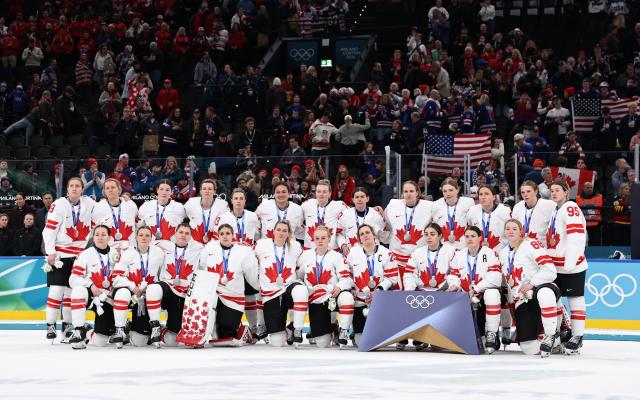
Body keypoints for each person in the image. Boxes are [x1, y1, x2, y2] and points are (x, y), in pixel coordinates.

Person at [42, 177, 96, 342]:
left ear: (82, 189)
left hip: (80, 256)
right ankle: (50, 324)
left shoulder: (90, 204)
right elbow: (49, 230)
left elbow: (107, 208)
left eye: (77, 186)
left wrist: (124, 199)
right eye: (71, 186)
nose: (74, 188)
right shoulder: (58, 204)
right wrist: (50, 251)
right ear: (67, 189)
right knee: (56, 291)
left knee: (72, 293)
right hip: (60, 255)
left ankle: (67, 326)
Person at [500, 219, 561, 357]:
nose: (510, 231)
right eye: (507, 228)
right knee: (529, 349)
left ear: (521, 231)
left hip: (541, 287)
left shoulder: (531, 244)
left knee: (545, 293)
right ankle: (550, 339)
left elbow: (550, 270)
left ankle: (552, 335)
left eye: (514, 228)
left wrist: (532, 283)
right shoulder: (503, 253)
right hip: (522, 298)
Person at [546, 180, 588, 355]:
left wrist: (571, 261)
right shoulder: (556, 209)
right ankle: (556, 334)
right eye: (551, 190)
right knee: (553, 300)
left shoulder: (570, 207)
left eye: (557, 190)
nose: (554, 193)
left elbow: (576, 235)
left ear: (566, 192)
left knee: (575, 299)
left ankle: (577, 336)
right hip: (555, 266)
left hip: (571, 266)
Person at [199, 224, 259, 345]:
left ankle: (245, 330)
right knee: (211, 329)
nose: (225, 236)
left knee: (225, 336)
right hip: (214, 294)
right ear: (217, 236)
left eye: (228, 233)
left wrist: (253, 288)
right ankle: (215, 326)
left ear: (233, 235)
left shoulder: (243, 251)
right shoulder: (210, 248)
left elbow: (251, 275)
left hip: (233, 296)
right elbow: (202, 266)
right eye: (222, 234)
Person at [146, 223, 204, 347]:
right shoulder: (163, 245)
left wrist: (238, 244)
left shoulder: (198, 248)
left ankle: (164, 332)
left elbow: (217, 247)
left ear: (191, 236)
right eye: (181, 232)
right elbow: (144, 242)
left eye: (187, 233)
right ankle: (155, 326)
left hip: (184, 294)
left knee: (172, 341)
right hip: (168, 288)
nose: (183, 235)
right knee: (153, 288)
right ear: (175, 233)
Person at [447, 226, 503, 353]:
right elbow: (453, 274)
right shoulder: (459, 255)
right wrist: (454, 284)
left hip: (483, 295)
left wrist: (477, 288)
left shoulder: (489, 253)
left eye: (473, 236)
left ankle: (491, 334)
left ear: (480, 238)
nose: (470, 239)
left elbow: (495, 277)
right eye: (467, 236)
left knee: (492, 293)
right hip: (465, 296)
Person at [298, 226, 355, 348]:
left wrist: (339, 287)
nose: (320, 241)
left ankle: (344, 330)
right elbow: (298, 276)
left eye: (323, 238)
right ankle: (332, 328)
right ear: (313, 240)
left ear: (329, 239)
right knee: (322, 343)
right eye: (317, 238)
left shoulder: (337, 256)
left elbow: (347, 278)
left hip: (332, 296)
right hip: (316, 300)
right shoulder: (305, 256)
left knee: (346, 297)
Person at [402, 223, 456, 350]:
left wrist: (452, 285)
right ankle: (420, 337)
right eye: (426, 235)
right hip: (423, 291)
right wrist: (409, 289)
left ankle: (440, 337)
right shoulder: (417, 252)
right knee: (416, 300)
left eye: (432, 234)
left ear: (440, 236)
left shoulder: (450, 251)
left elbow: (455, 271)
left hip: (443, 292)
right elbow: (409, 273)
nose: (429, 237)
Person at [67, 225, 121, 349]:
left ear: (109, 237)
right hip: (91, 294)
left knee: (100, 342)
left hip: (107, 298)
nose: (100, 237)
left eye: (103, 234)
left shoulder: (116, 254)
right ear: (93, 236)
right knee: (78, 290)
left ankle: (88, 331)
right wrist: (90, 285)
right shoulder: (85, 254)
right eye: (97, 234)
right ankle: (79, 329)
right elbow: (73, 279)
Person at [254, 220, 306, 347]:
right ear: (273, 231)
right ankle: (286, 330)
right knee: (277, 342)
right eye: (279, 230)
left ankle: (297, 329)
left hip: (289, 287)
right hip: (270, 294)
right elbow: (250, 262)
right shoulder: (261, 245)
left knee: (301, 291)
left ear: (288, 233)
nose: (281, 233)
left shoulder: (296, 247)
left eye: (284, 230)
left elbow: (302, 267)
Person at [110, 226, 165, 347]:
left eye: (147, 235)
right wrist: (132, 287)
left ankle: (154, 328)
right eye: (141, 235)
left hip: (150, 297)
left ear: (151, 238)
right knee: (121, 293)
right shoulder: (127, 253)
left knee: (139, 342)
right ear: (136, 237)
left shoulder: (159, 253)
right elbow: (116, 278)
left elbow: (163, 276)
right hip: (134, 297)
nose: (144, 238)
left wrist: (151, 289)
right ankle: (120, 330)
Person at [347, 224, 398, 346]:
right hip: (360, 300)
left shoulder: (387, 253)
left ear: (374, 235)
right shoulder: (353, 253)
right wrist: (351, 288)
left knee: (378, 340)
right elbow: (346, 273)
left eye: (367, 232)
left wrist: (379, 290)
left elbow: (392, 277)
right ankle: (356, 331)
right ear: (359, 239)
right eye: (362, 234)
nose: (365, 236)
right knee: (361, 342)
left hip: (379, 299)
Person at [384, 181, 433, 288]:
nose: (408, 194)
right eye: (405, 191)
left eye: (411, 191)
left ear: (417, 193)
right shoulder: (393, 205)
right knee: (399, 291)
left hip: (419, 258)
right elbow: (385, 222)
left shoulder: (429, 207)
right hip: (397, 258)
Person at [336, 187, 386, 256]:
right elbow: (339, 234)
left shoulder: (376, 215)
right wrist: (343, 245)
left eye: (362, 197)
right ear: (353, 199)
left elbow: (383, 235)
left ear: (367, 199)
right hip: (351, 254)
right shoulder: (345, 215)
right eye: (357, 197)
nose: (359, 199)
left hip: (372, 254)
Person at [301, 179, 348, 250]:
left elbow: (348, 223)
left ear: (330, 193)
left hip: (331, 250)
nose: (321, 194)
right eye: (318, 191)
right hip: (310, 249)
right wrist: (306, 234)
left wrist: (342, 242)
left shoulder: (339, 206)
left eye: (324, 192)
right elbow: (298, 223)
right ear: (315, 193)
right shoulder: (307, 205)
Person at [91, 178, 138, 247]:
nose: (110, 190)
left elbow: (138, 223)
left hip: (130, 248)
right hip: (109, 249)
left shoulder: (130, 204)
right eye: (107, 188)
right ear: (104, 192)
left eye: (113, 187)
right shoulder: (98, 208)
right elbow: (95, 230)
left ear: (119, 190)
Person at [431, 178, 475, 248]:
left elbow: (472, 223)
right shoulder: (436, 205)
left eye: (451, 190)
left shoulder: (468, 202)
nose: (448, 194)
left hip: (463, 246)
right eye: (444, 191)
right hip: (443, 247)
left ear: (457, 190)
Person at [466, 184, 511, 252]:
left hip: (500, 252)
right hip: (479, 252)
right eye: (481, 194)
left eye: (486, 194)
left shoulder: (505, 210)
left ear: (493, 197)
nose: (483, 197)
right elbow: (469, 229)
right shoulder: (472, 210)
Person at [184, 179, 229, 245]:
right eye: (204, 189)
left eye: (210, 189)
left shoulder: (222, 205)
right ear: (200, 191)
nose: (207, 191)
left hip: (215, 244)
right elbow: (179, 215)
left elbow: (229, 223)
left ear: (214, 191)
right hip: (194, 244)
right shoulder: (191, 203)